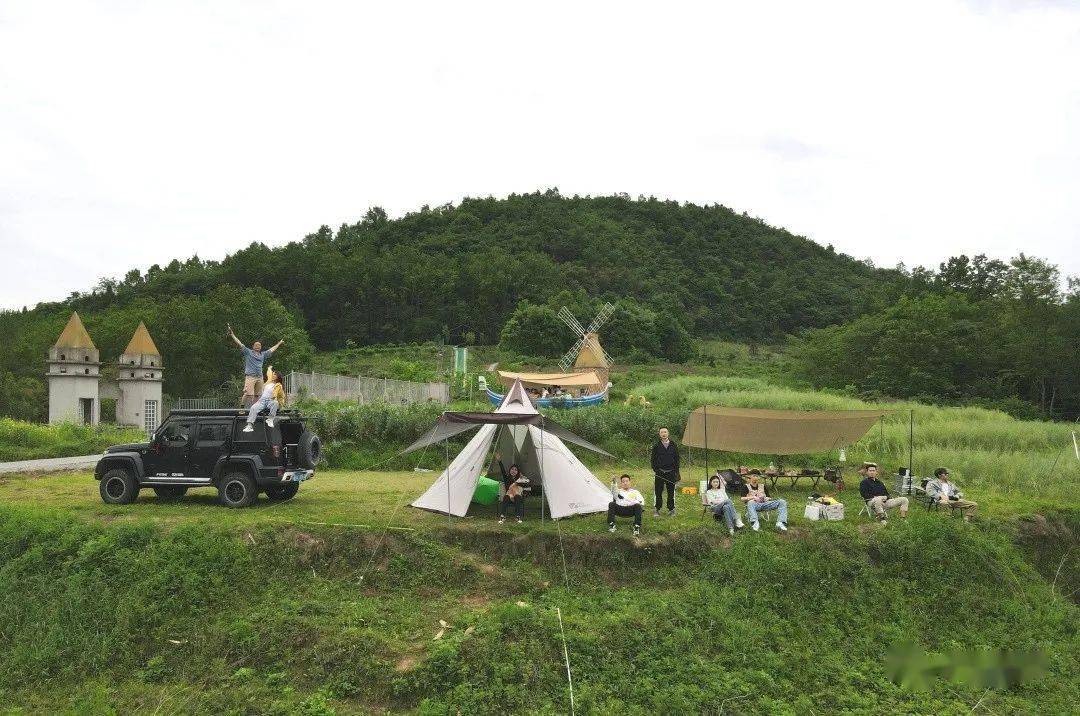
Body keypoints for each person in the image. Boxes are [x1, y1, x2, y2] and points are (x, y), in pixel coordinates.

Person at [228, 323, 284, 407]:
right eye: (256, 345)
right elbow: (239, 343)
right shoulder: (248, 352)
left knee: (258, 395)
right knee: (248, 394)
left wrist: (279, 344)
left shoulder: (263, 355)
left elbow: (271, 350)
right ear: (253, 346)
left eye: (259, 345)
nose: (258, 346)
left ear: (261, 347)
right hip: (250, 376)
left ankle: (254, 408)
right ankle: (242, 406)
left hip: (259, 377)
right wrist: (232, 335)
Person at [243, 366, 285, 432]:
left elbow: (279, 394)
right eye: (273, 374)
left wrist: (279, 401)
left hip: (271, 400)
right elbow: (269, 374)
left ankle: (270, 419)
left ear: (277, 376)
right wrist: (269, 368)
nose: (273, 375)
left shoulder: (278, 385)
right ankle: (249, 425)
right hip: (262, 401)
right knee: (253, 408)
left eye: (275, 374)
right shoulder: (268, 382)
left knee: (275, 403)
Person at [651, 427, 680, 517]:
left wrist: (676, 471)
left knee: (671, 492)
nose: (663, 434)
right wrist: (656, 469)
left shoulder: (673, 445)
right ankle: (657, 509)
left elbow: (677, 459)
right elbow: (653, 459)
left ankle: (671, 509)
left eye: (665, 432)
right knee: (658, 491)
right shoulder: (656, 446)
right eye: (662, 432)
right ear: (659, 434)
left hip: (671, 472)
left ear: (668, 433)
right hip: (660, 472)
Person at [494, 452, 529, 524]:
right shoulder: (507, 478)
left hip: (517, 497)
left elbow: (528, 484)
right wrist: (499, 461)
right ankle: (502, 516)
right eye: (512, 469)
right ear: (510, 470)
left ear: (518, 472)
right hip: (509, 497)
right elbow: (503, 470)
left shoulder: (520, 479)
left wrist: (521, 479)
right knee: (506, 497)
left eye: (515, 470)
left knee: (517, 496)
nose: (513, 471)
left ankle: (517, 516)